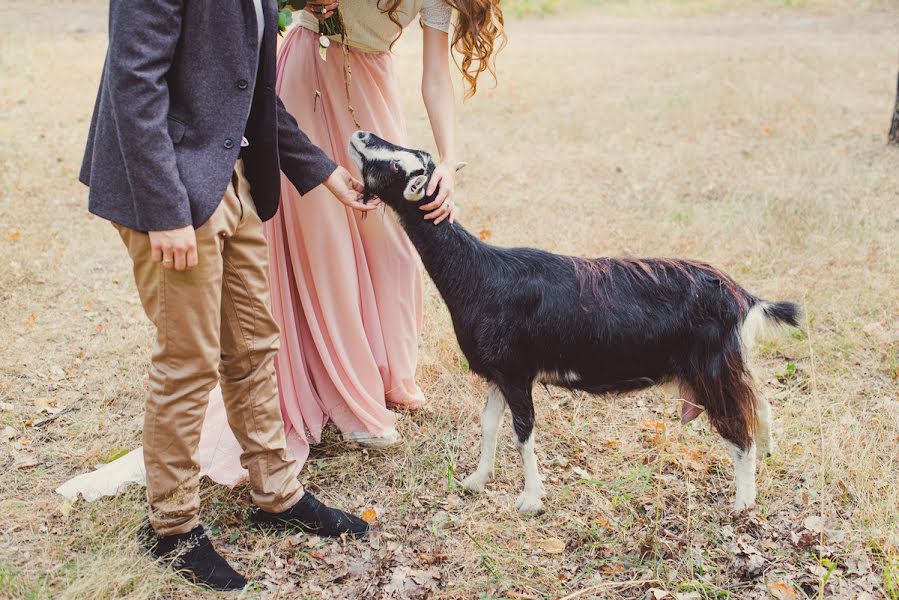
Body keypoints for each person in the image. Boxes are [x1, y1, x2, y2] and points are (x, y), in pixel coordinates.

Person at [79, 0, 386, 591]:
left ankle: (277, 494)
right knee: (187, 361)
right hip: (168, 185)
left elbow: (250, 93)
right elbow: (132, 81)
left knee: (253, 345)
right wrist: (164, 210)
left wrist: (323, 172)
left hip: (231, 174)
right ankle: (170, 527)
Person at [197, 0, 506, 485]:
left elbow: (436, 76)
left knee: (392, 243)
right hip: (306, 71)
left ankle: (384, 374)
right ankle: (347, 394)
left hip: (371, 85)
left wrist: (448, 160)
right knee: (324, 238)